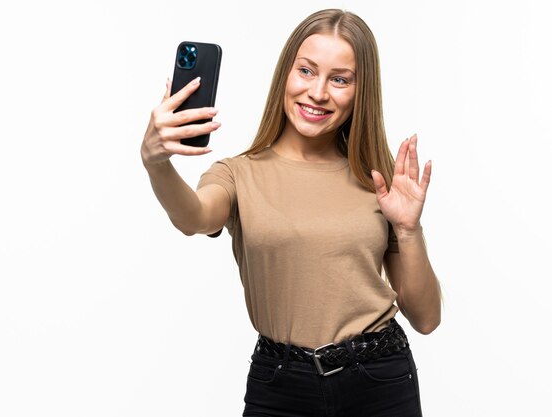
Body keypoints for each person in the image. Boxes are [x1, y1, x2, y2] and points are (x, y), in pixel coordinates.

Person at [141, 8, 442, 417]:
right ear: (286, 73)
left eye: (340, 79)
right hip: (281, 386)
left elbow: (426, 319)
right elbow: (193, 217)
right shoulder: (238, 174)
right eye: (306, 71)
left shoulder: (380, 181)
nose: (318, 92)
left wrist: (408, 229)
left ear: (360, 91)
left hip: (379, 381)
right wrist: (157, 163)